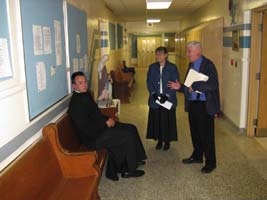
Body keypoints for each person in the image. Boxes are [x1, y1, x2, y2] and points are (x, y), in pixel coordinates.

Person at [68, 71, 147, 181]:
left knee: (131, 128)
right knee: (126, 135)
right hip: (93, 138)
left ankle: (135, 158)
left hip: (100, 129)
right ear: (74, 86)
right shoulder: (76, 105)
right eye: (80, 83)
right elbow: (86, 129)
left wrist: (107, 120)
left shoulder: (85, 95)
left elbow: (96, 115)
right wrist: (105, 124)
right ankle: (129, 170)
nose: (84, 84)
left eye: (85, 81)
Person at [168, 41, 220, 173]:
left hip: (204, 105)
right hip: (193, 104)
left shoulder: (208, 65)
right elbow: (188, 86)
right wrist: (180, 87)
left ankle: (210, 162)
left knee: (206, 135)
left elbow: (213, 85)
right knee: (195, 133)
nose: (187, 54)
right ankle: (197, 156)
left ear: (198, 52)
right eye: (187, 51)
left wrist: (195, 86)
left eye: (189, 52)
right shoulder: (191, 65)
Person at [146, 46, 180, 150]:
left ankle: (167, 141)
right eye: (157, 54)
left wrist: (167, 95)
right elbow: (149, 81)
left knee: (167, 120)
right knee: (157, 119)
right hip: (155, 98)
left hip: (168, 99)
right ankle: (160, 140)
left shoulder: (172, 67)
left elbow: (175, 83)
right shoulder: (152, 67)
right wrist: (153, 93)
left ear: (166, 55)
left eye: (160, 54)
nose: (158, 56)